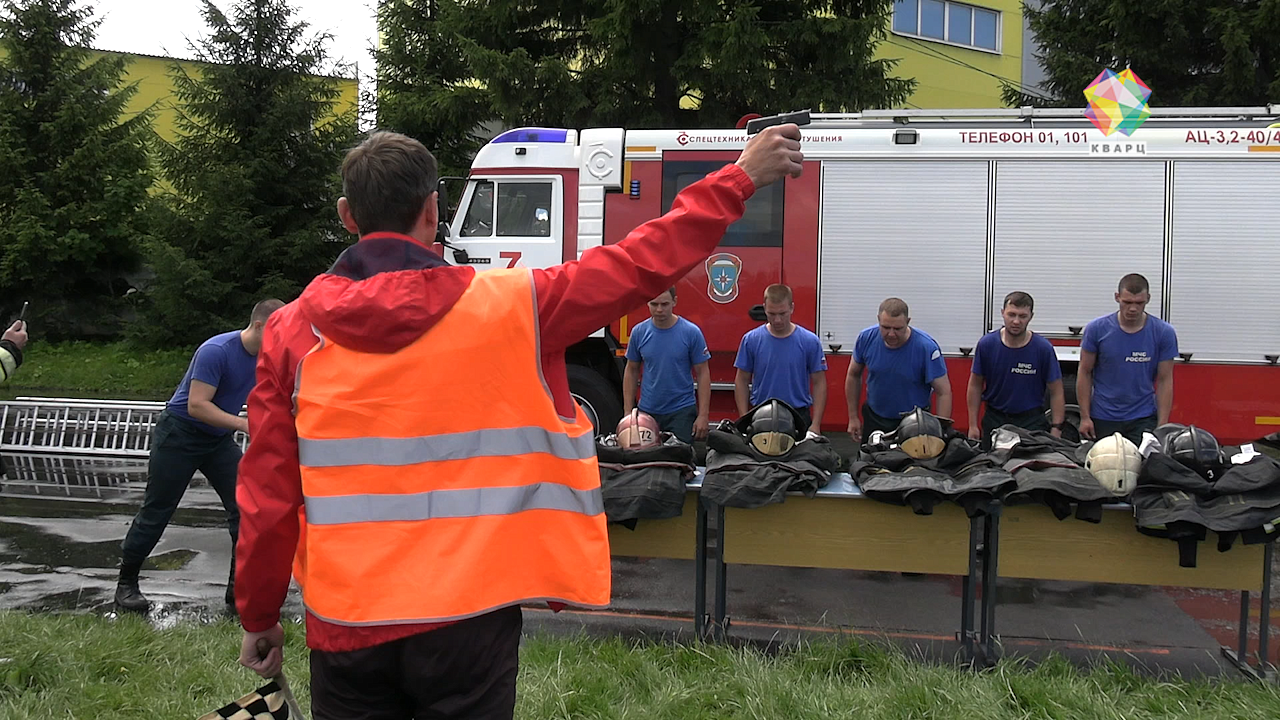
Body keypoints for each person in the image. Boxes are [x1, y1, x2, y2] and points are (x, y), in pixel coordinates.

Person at [234, 126, 804, 719]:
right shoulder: (515, 305)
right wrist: (737, 179)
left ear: (347, 215)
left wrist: (259, 614)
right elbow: (639, 262)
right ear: (433, 212)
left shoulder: (290, 333)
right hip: (470, 617)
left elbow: (267, 496)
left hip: (346, 620)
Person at [114, 299, 285, 613]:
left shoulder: (266, 357)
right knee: (158, 510)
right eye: (278, 332)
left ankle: (239, 596)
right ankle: (126, 585)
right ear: (259, 325)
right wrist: (246, 425)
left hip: (216, 441)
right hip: (179, 434)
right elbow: (197, 405)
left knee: (247, 509)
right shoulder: (216, 351)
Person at [1078, 273, 1178, 445]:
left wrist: (1162, 425)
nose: (1133, 309)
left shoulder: (1163, 333)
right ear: (1117, 297)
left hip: (1143, 418)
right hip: (1103, 417)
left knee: (1143, 468)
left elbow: (1164, 380)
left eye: (1139, 303)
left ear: (1148, 299)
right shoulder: (1096, 329)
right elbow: (1085, 372)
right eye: (1127, 302)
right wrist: (1085, 417)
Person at [844, 298, 951, 442]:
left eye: (898, 329)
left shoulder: (926, 347)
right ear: (878, 320)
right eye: (886, 327)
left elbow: (943, 392)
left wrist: (940, 431)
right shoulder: (866, 339)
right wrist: (853, 417)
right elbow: (853, 375)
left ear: (908, 322)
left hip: (916, 424)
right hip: (875, 419)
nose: (891, 334)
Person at [966, 291, 1065, 446]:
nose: (1016, 321)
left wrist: (1057, 428)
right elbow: (975, 385)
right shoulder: (987, 345)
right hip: (995, 420)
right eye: (1011, 314)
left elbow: (1057, 391)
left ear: (1031, 316)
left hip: (1032, 422)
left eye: (1022, 316)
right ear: (1002, 313)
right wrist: (972, 425)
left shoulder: (1043, 349)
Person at [732, 284, 828, 432]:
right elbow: (741, 380)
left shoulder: (809, 341)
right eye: (771, 314)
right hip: (761, 414)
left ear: (792, 308)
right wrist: (744, 418)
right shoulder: (751, 340)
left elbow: (819, 382)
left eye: (782, 313)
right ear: (764, 308)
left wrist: (816, 424)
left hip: (798, 416)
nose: (777, 320)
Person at [622, 287, 712, 443]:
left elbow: (703, 373)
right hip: (647, 412)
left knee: (679, 461)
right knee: (645, 461)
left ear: (674, 302)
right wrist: (628, 412)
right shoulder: (639, 332)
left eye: (664, 304)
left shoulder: (691, 332)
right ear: (647, 304)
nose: (659, 310)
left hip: (681, 411)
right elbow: (631, 370)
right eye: (654, 304)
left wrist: (703, 415)